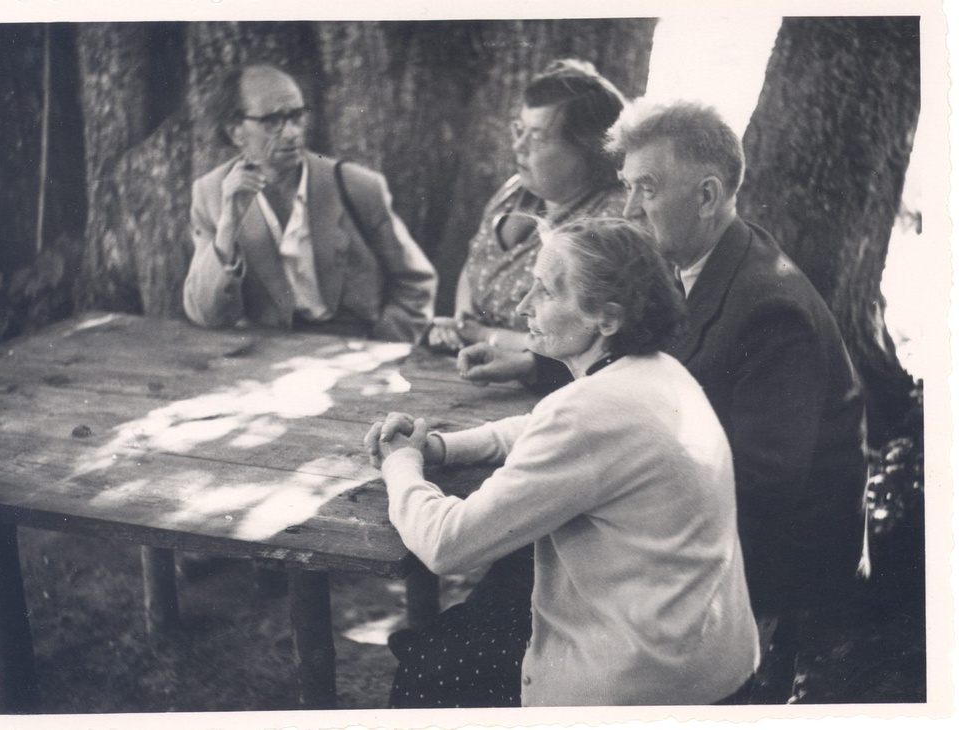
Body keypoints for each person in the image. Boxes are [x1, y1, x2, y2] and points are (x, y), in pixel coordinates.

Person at [460, 100, 868, 698]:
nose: (627, 209)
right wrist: (530, 363)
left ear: (706, 196)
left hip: (767, 561)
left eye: (645, 189)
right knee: (510, 578)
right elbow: (646, 371)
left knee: (516, 580)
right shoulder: (700, 261)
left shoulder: (769, 308)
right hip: (692, 525)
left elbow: (763, 487)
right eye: (626, 187)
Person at [366, 219, 759, 706]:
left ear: (607, 319)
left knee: (429, 674)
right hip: (709, 659)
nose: (523, 305)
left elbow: (448, 546)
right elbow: (537, 427)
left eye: (547, 292)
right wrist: (442, 447)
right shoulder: (658, 371)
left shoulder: (588, 412)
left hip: (642, 686)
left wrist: (400, 464)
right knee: (467, 630)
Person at [183, 63, 436, 343]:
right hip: (263, 354)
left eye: (296, 117)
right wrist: (228, 224)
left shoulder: (355, 185)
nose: (291, 133)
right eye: (272, 121)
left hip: (352, 348)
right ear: (235, 131)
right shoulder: (211, 194)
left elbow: (415, 283)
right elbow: (207, 315)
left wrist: (381, 348)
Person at [427, 58, 626, 366]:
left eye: (538, 136)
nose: (518, 146)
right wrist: (460, 323)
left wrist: (482, 335)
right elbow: (475, 262)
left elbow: (586, 342)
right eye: (519, 129)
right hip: (472, 368)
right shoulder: (515, 192)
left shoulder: (609, 222)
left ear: (587, 149)